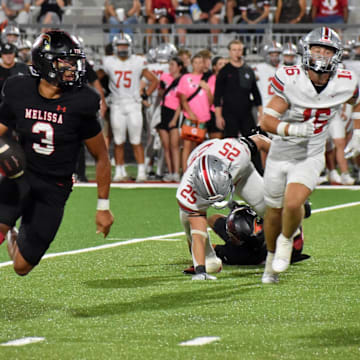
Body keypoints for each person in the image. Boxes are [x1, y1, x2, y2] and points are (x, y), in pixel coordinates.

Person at [0, 30, 114, 276]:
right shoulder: (19, 89)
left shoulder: (82, 101)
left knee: (21, 267)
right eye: (65, 61)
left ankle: (13, 235)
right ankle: (6, 225)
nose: (72, 68)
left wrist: (103, 206)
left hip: (54, 187)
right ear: (44, 61)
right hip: (20, 174)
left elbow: (102, 157)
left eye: (74, 61)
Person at [260, 27, 360, 284]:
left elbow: (357, 101)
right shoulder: (291, 77)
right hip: (281, 152)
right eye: (317, 48)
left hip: (311, 154)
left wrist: (357, 132)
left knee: (293, 204)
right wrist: (291, 128)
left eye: (328, 50)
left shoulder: (345, 80)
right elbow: (266, 121)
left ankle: (286, 240)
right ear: (307, 50)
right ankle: (270, 261)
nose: (322, 54)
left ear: (337, 55)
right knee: (273, 211)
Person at [176, 133, 271, 280]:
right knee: (188, 222)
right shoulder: (188, 195)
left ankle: (292, 235)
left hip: (239, 173)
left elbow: (261, 141)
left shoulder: (237, 153)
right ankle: (207, 260)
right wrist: (201, 270)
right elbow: (198, 234)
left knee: (270, 208)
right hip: (202, 168)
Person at [102, 32, 158, 182]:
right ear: (114, 47)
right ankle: (119, 171)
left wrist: (144, 94)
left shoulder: (138, 61)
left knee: (136, 140)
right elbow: (98, 78)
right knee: (118, 141)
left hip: (133, 104)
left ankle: (141, 172)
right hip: (116, 104)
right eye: (120, 45)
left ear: (130, 46)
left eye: (125, 45)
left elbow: (154, 80)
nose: (122, 48)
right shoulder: (108, 61)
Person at [206, 202, 310, 267]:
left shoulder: (239, 254)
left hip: (264, 250)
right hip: (287, 246)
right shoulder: (272, 225)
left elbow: (208, 247)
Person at [215, 39, 262, 139]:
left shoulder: (248, 70)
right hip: (229, 113)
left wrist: (261, 113)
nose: (237, 52)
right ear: (230, 52)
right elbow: (217, 96)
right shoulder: (224, 71)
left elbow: (256, 93)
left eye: (239, 50)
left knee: (252, 141)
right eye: (234, 50)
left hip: (246, 113)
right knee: (230, 142)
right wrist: (218, 117)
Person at [177, 53, 215, 171]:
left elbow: (211, 101)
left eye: (201, 63)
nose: (198, 65)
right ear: (192, 64)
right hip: (189, 115)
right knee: (187, 144)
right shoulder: (185, 78)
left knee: (201, 146)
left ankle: (198, 171)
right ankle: (185, 172)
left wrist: (207, 89)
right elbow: (183, 98)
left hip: (203, 116)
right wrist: (190, 113)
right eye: (196, 62)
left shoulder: (209, 78)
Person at [157, 56, 186, 182]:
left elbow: (182, 101)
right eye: (170, 64)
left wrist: (175, 118)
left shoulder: (183, 80)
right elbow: (161, 94)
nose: (170, 67)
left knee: (175, 145)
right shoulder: (164, 77)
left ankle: (176, 171)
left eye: (173, 65)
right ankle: (170, 171)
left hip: (175, 111)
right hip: (164, 110)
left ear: (179, 67)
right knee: (166, 145)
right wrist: (161, 89)